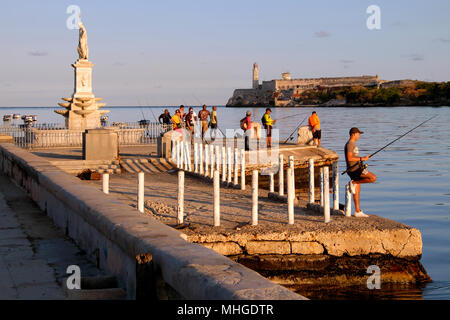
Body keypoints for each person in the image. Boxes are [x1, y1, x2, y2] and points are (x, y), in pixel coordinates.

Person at [344, 127, 377, 217]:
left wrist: (361, 160)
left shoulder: (353, 144)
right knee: (373, 178)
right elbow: (349, 158)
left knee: (357, 190)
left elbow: (354, 158)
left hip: (356, 168)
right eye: (358, 134)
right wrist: (363, 158)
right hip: (355, 170)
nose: (359, 136)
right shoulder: (350, 144)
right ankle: (354, 182)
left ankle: (357, 211)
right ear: (353, 134)